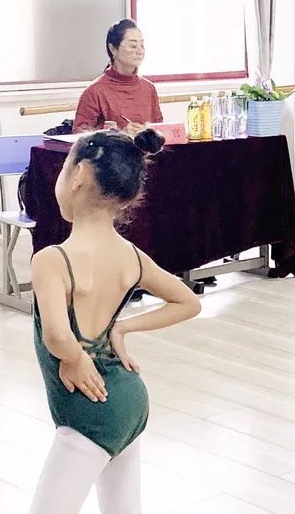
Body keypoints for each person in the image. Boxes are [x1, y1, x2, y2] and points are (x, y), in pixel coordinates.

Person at [29, 129, 201, 513]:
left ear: (78, 176)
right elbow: (188, 302)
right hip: (130, 399)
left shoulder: (51, 261)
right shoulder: (132, 256)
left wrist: (74, 356)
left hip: (90, 411)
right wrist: (123, 327)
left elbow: (56, 334)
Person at [73, 19, 163, 135]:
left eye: (142, 45)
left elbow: (160, 130)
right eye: (133, 46)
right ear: (113, 49)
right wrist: (119, 134)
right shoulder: (94, 92)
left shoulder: (149, 88)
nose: (139, 51)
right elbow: (80, 135)